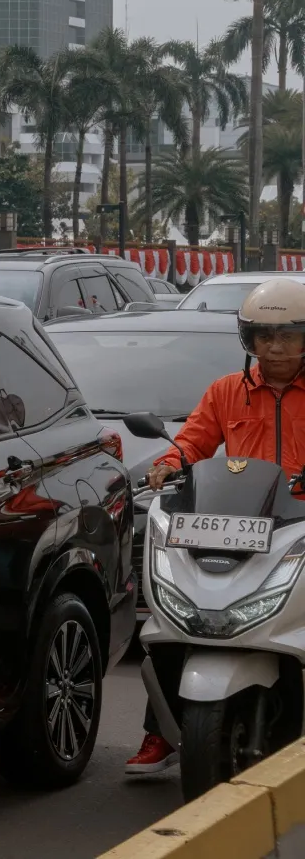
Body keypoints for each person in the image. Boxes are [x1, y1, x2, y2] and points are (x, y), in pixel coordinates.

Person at [126, 276, 305, 780]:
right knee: (180, 618)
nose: (276, 346)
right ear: (249, 340)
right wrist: (168, 464)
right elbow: (193, 441)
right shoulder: (227, 391)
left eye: (289, 335)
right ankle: (161, 729)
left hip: (299, 525)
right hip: (234, 522)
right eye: (265, 335)